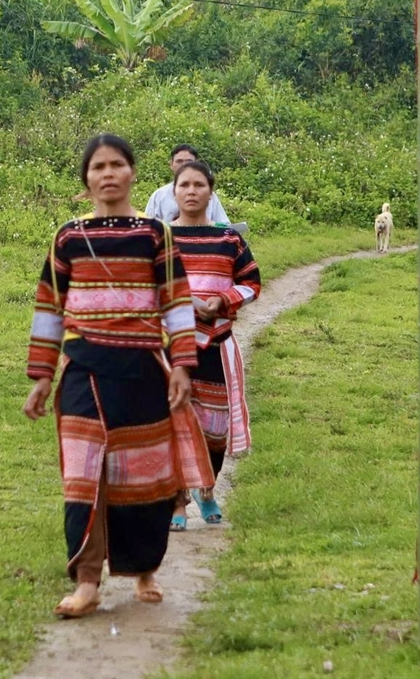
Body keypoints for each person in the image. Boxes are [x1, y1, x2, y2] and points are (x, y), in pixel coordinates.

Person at [24, 133, 214, 619]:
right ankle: (87, 582)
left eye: (116, 165)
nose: (107, 174)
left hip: (145, 373)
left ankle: (144, 567)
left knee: (146, 478)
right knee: (83, 478)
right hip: (85, 372)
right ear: (86, 180)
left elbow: (174, 301)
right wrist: (42, 376)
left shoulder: (155, 234)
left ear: (132, 173)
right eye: (97, 167)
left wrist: (184, 367)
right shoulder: (67, 237)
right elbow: (49, 307)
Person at [167, 159, 262, 530]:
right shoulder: (160, 238)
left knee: (215, 427)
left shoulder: (229, 239)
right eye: (184, 185)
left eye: (199, 185)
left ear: (210, 191)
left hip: (216, 346)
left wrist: (221, 302)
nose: (191, 192)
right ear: (174, 192)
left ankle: (206, 489)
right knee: (173, 422)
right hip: (170, 346)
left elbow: (252, 283)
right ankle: (177, 502)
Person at [144, 144, 229, 223]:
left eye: (189, 161)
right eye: (179, 161)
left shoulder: (208, 195)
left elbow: (224, 226)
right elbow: (148, 230)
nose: (184, 165)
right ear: (171, 164)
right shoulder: (158, 196)